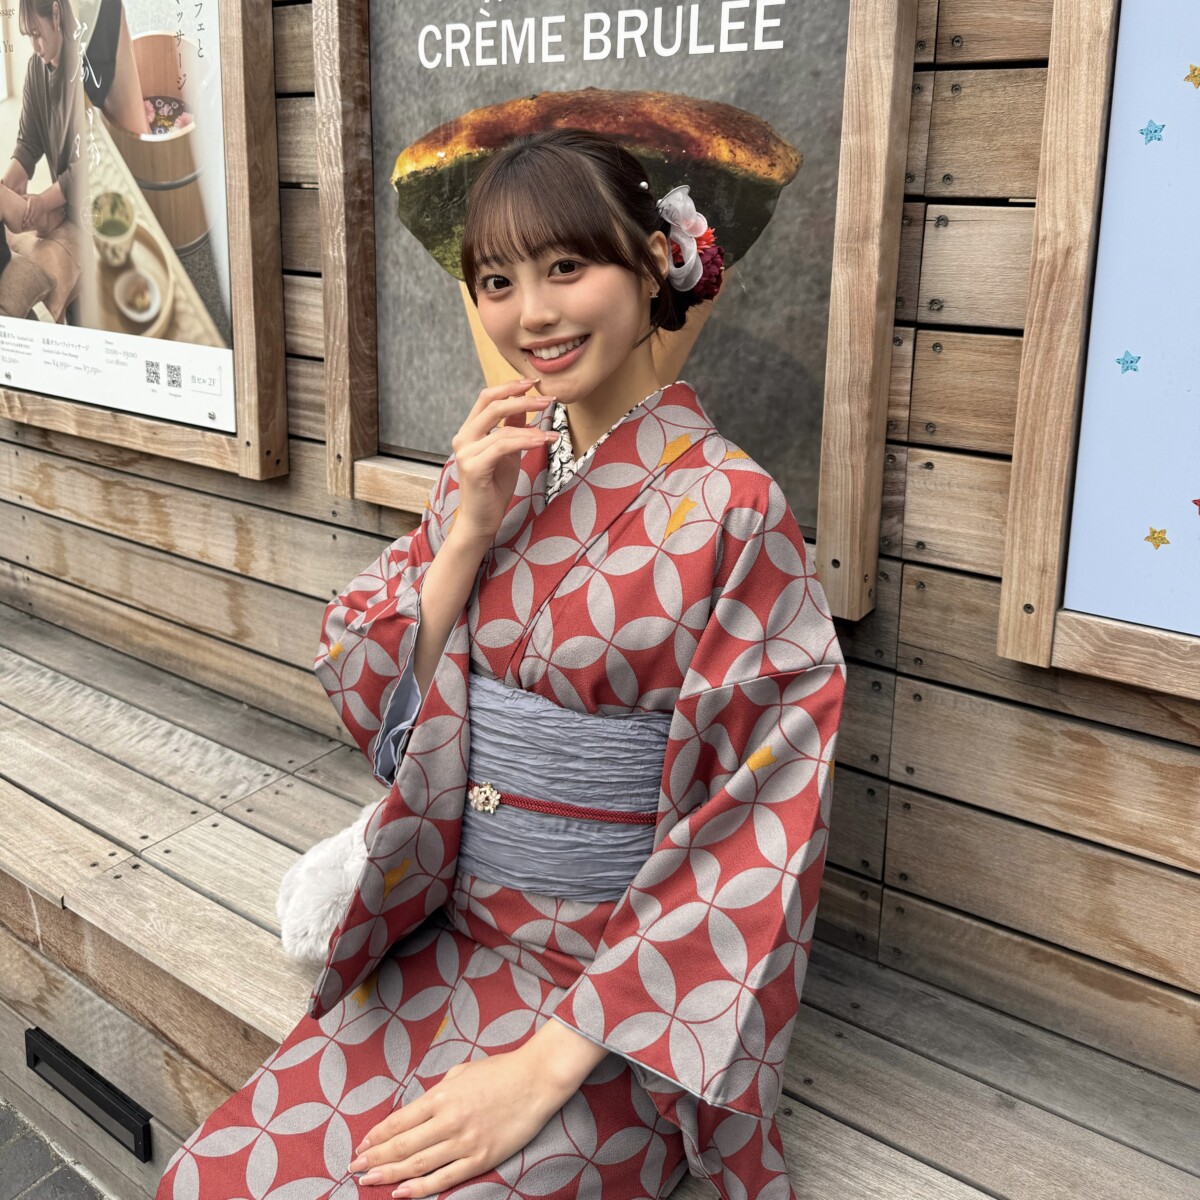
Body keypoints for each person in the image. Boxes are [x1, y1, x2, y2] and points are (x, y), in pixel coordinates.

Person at [156, 127, 845, 1200]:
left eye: (567, 266)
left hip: (625, 1004)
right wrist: (467, 533)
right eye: (498, 281)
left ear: (652, 264)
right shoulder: (491, 468)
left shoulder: (736, 509)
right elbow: (368, 688)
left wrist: (542, 1070)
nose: (533, 313)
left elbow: (762, 816)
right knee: (212, 1180)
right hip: (449, 932)